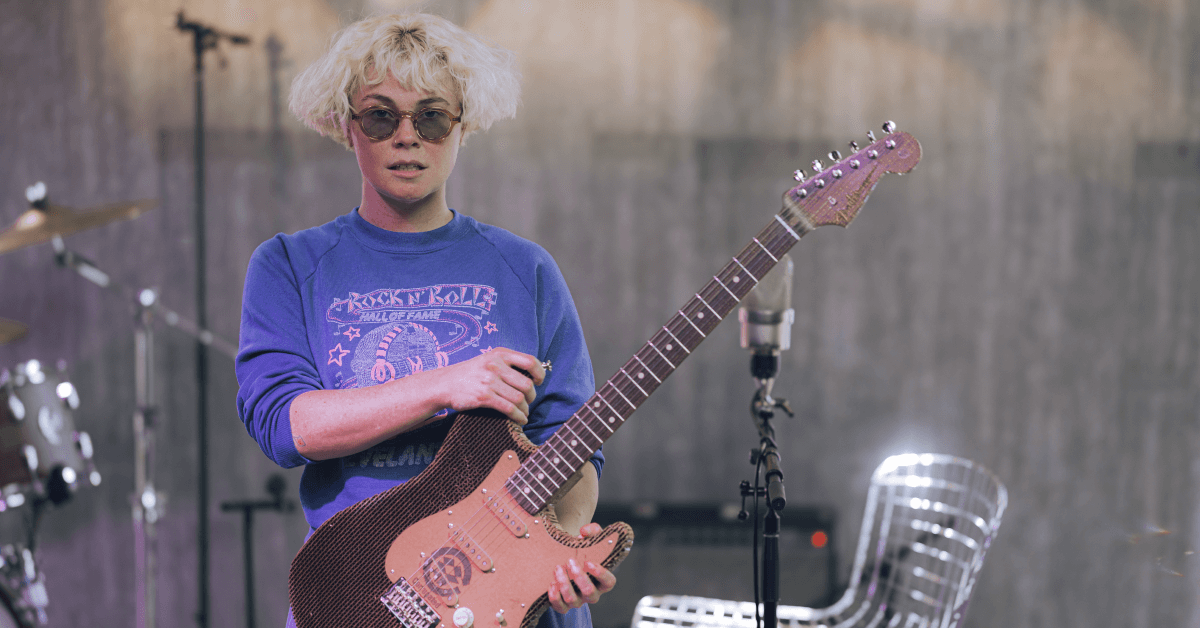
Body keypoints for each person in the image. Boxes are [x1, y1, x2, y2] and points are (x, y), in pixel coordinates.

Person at [234, 12, 615, 627]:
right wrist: (446, 384)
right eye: (381, 116)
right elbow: (285, 426)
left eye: (432, 117)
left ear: (463, 126)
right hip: (357, 597)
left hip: (509, 602)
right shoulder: (289, 265)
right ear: (347, 125)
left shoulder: (526, 268)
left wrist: (555, 553)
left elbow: (569, 444)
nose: (407, 137)